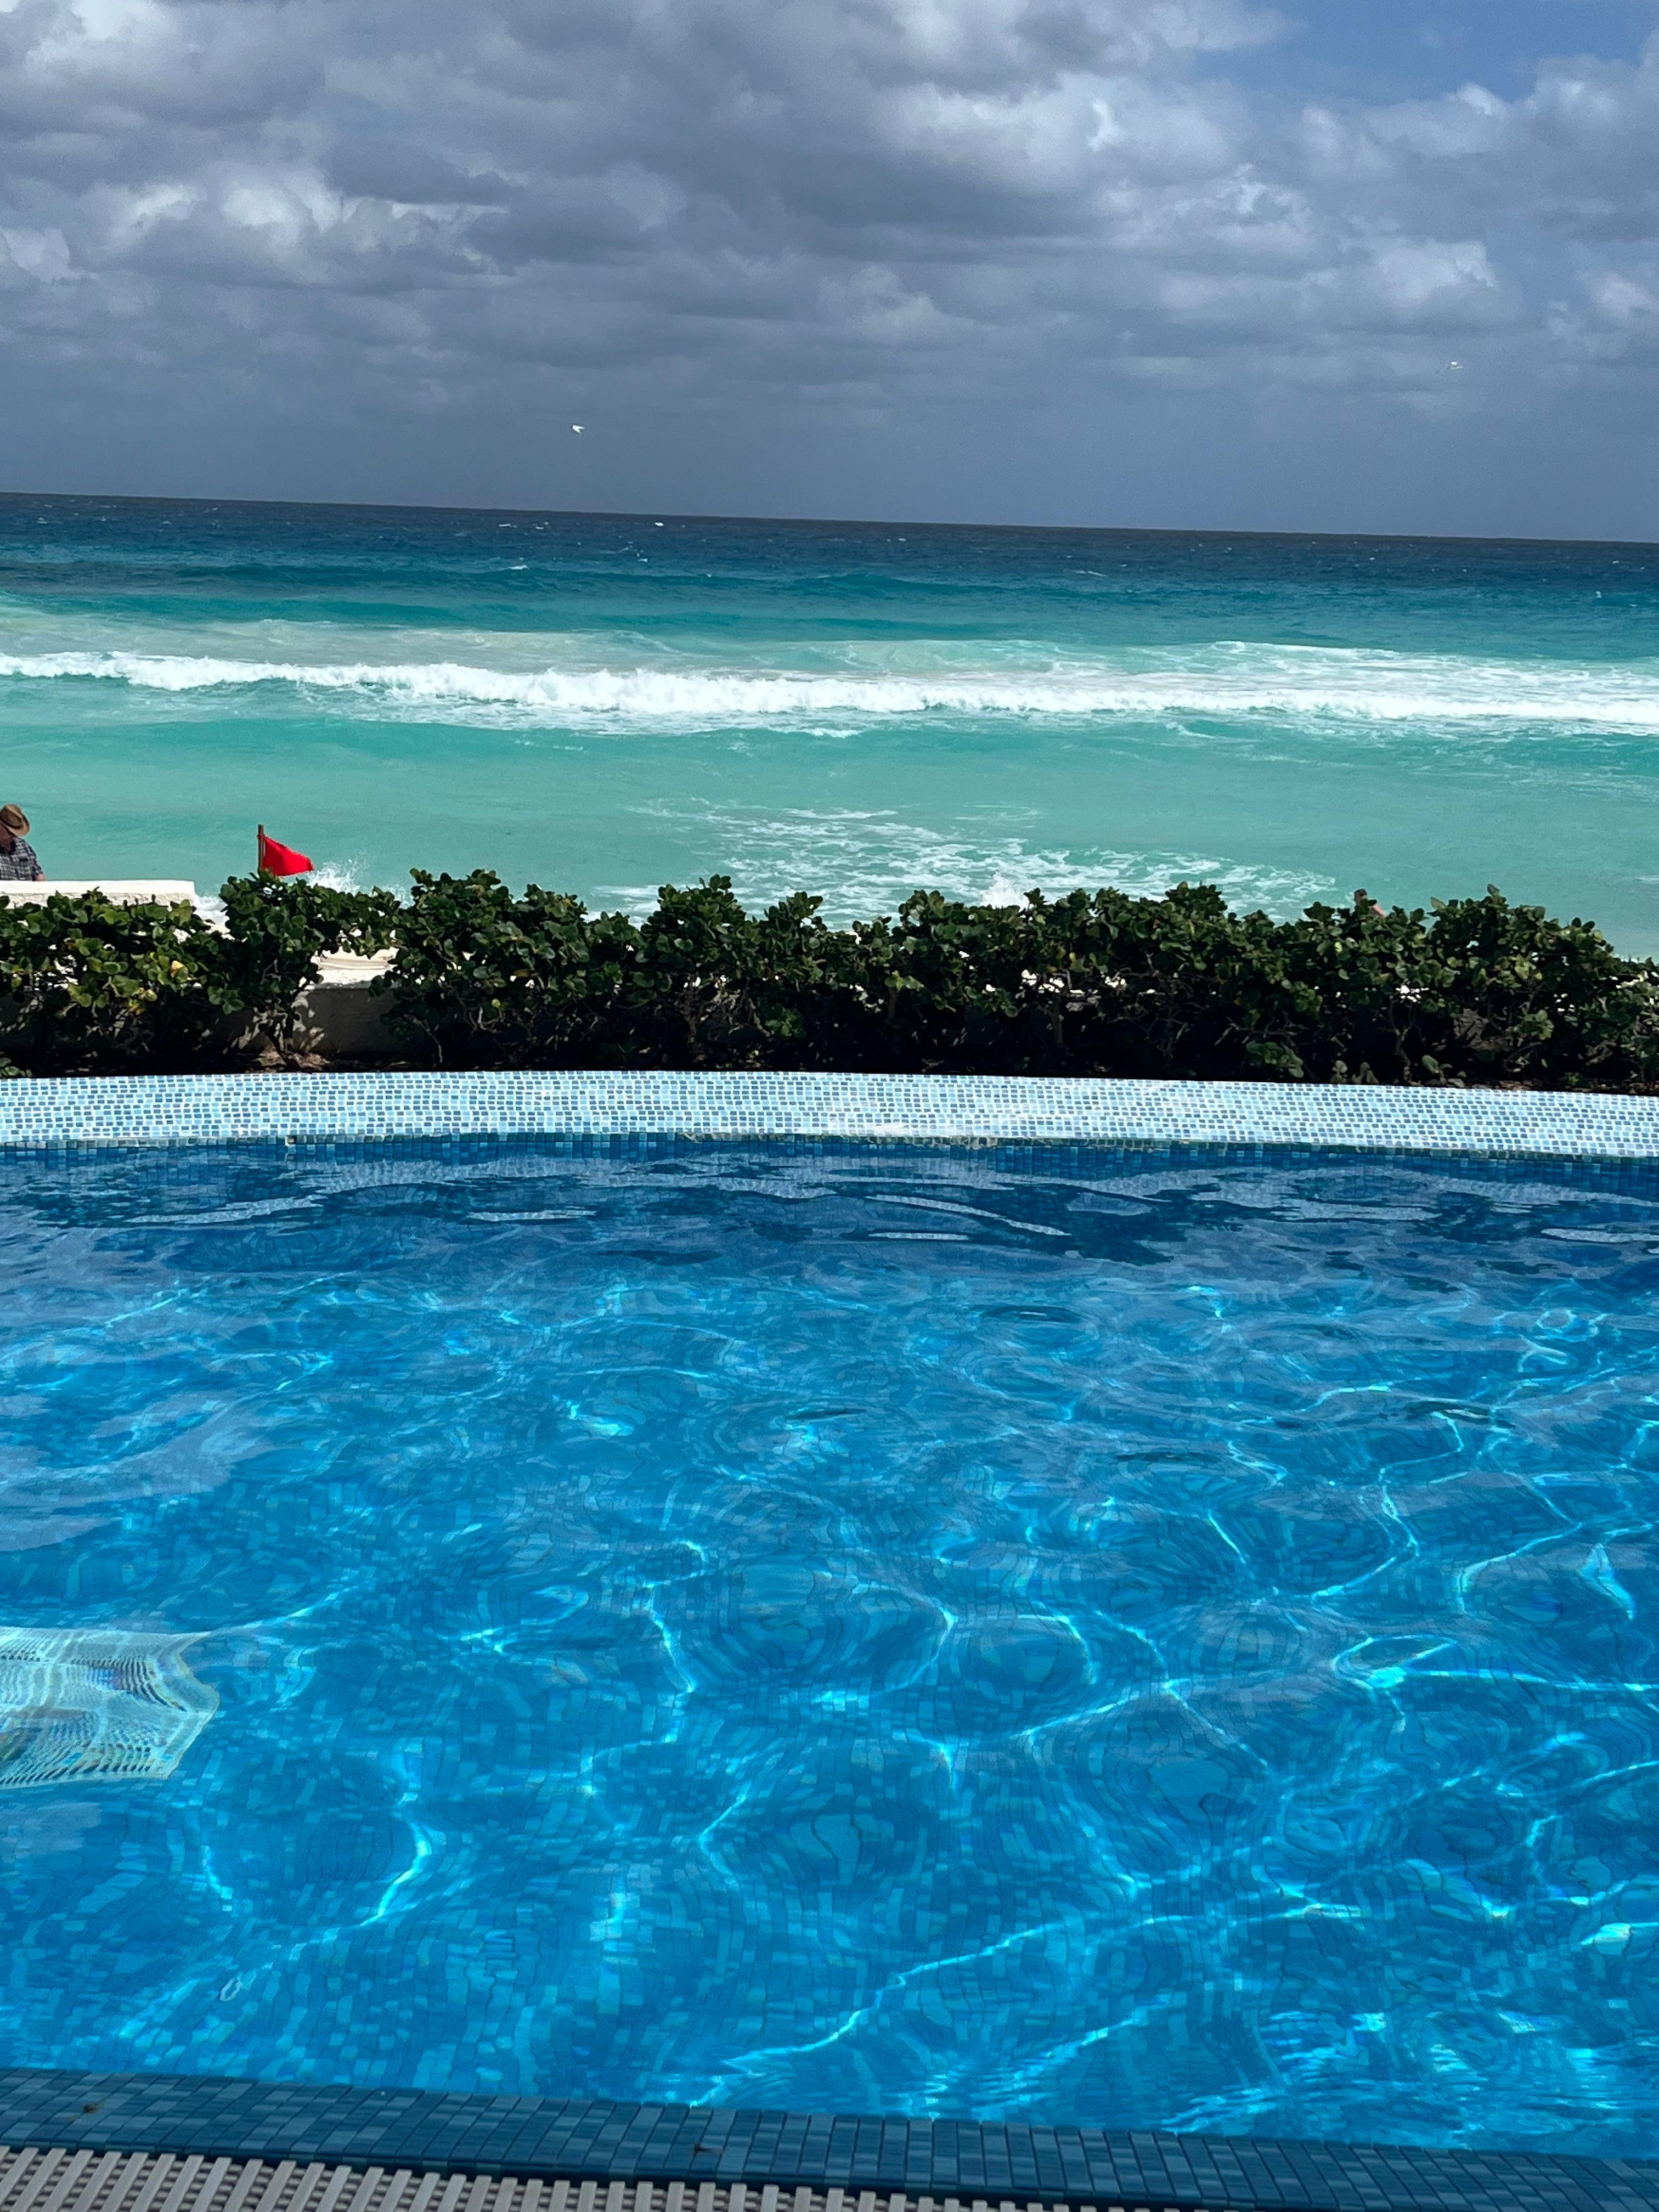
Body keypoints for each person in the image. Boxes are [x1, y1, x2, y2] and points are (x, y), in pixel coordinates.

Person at [0, 804, 44, 882]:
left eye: (16, 834)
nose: (13, 837)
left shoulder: (23, 846)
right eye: (10, 833)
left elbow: (39, 875)